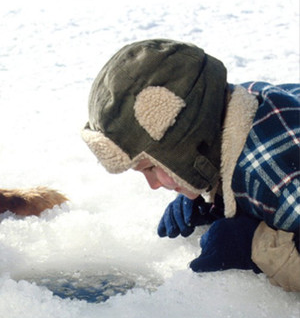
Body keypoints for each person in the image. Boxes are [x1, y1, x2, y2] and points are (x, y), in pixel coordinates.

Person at [81, 39, 300, 292]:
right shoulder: (240, 103)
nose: (152, 185)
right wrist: (214, 194)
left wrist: (255, 244)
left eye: (150, 167)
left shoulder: (276, 177)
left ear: (187, 140)